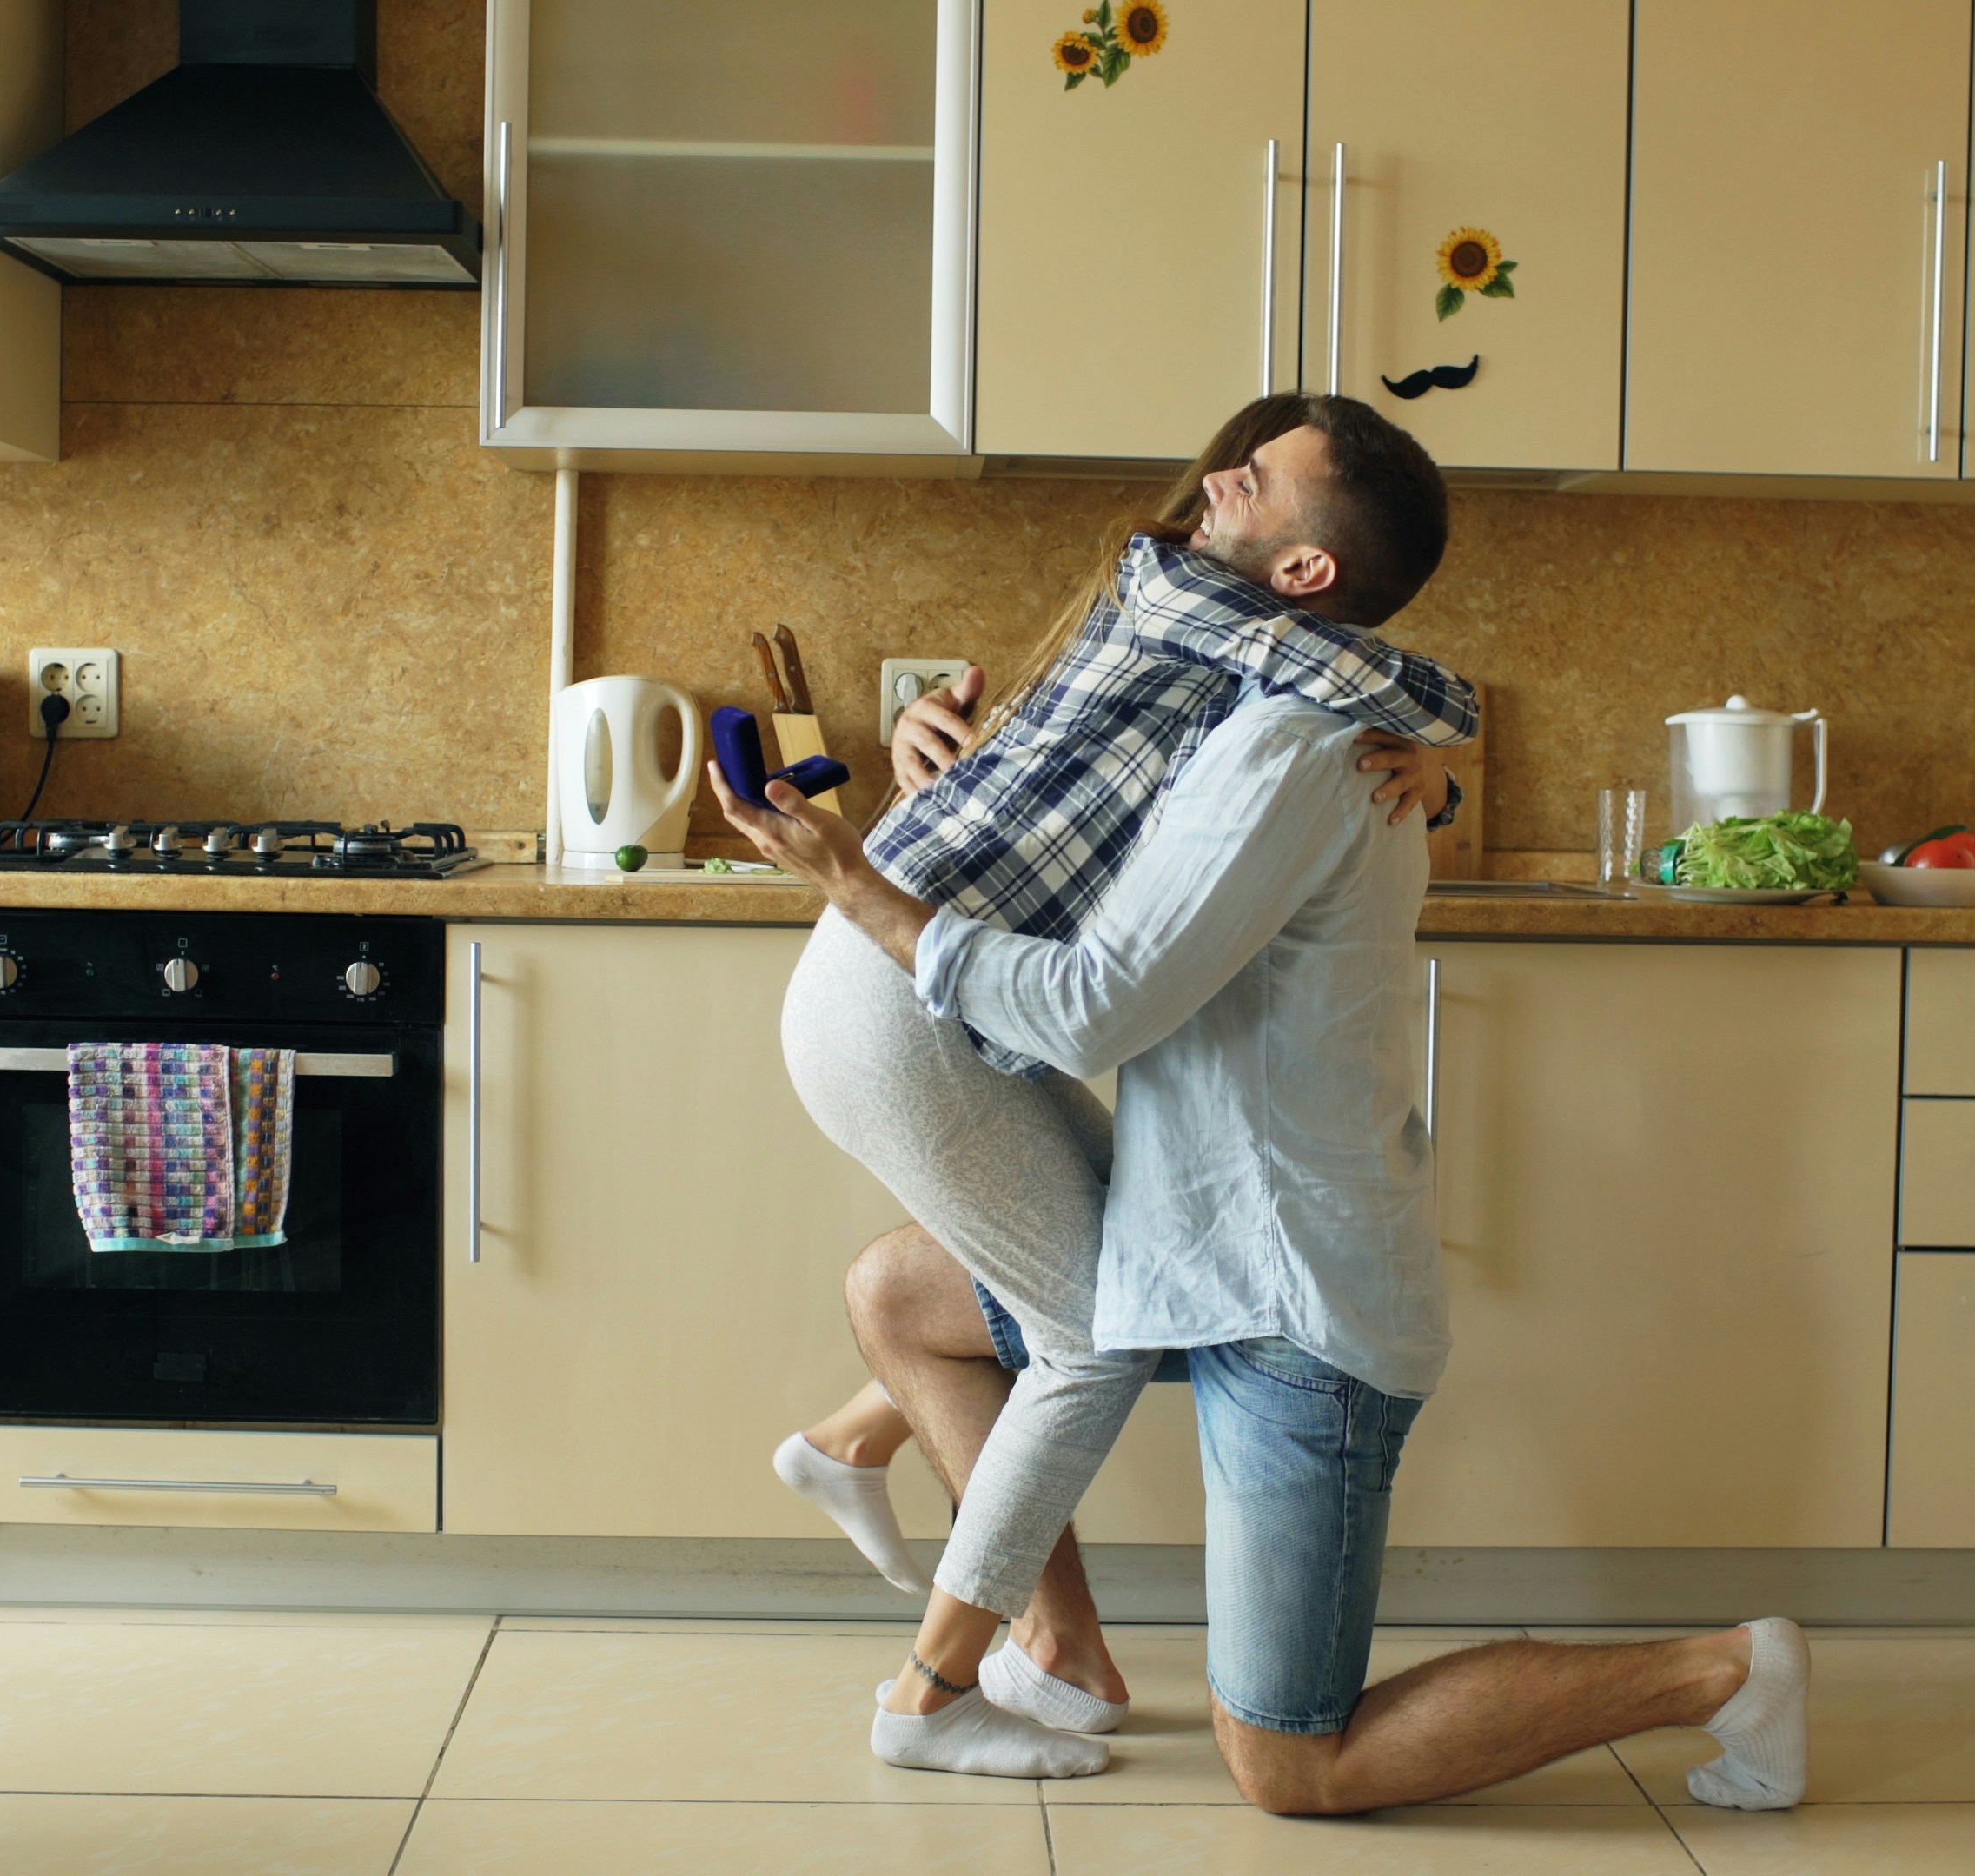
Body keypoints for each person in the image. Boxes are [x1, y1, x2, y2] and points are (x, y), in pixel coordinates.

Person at [718, 669, 1814, 1819]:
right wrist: (935, 780)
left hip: (1296, 1303)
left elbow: (1082, 1005)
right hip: (1188, 1244)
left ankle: (1730, 1671)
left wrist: (859, 881)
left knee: (1296, 1766)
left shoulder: (1288, 761)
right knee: (902, 1295)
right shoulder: (1232, 730)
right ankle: (1048, 1645)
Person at [762, 397, 1479, 1778]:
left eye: (1254, 477)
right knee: (1094, 1334)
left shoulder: (1220, 653)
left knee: (1096, 1290)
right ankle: (927, 1696)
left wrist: (1432, 781)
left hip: (909, 982)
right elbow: (1411, 691)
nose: (1217, 482)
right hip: (910, 994)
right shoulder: (1213, 621)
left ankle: (1045, 1636)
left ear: (1306, 574)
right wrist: (1433, 750)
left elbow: (1116, 770)